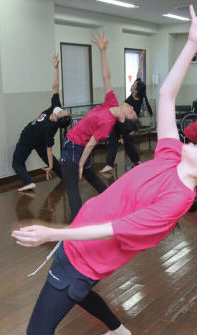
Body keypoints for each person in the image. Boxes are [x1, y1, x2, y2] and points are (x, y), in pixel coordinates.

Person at [11, 0, 197, 335]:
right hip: (81, 252)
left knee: (39, 333)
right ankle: (118, 328)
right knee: (81, 295)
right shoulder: (172, 155)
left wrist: (53, 234)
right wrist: (191, 43)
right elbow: (169, 93)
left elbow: (111, 228)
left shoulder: (175, 200)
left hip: (82, 257)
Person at [61, 32, 138, 220]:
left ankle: (77, 229)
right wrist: (103, 51)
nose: (131, 107)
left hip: (74, 148)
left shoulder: (107, 124)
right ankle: (116, 205)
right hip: (77, 148)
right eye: (133, 110)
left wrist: (80, 165)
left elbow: (90, 146)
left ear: (123, 120)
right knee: (94, 179)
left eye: (132, 113)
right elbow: (106, 77)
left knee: (72, 188)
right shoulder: (111, 103)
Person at [12, 54, 72, 192]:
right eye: (65, 111)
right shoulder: (56, 107)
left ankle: (28, 182)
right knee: (52, 161)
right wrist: (56, 68)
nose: (63, 110)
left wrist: (50, 166)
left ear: (58, 118)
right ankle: (66, 178)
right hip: (38, 140)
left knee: (17, 162)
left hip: (27, 138)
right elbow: (56, 87)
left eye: (63, 113)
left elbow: (49, 150)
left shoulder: (50, 129)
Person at [100, 50, 153, 174]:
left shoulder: (136, 101)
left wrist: (123, 133)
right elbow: (139, 73)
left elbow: (130, 119)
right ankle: (114, 164)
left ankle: (133, 162)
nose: (132, 84)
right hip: (120, 121)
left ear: (136, 90)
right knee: (114, 140)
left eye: (134, 85)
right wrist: (141, 59)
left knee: (124, 141)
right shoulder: (134, 94)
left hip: (126, 123)